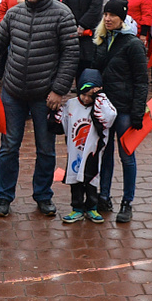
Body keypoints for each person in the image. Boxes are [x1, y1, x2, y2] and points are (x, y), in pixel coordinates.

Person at [0, 0, 79, 217]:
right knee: (9, 146)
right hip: (13, 92)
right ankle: (3, 195)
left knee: (45, 149)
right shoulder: (14, 14)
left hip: (44, 96)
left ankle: (43, 195)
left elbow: (71, 55)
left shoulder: (62, 15)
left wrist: (59, 90)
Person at [92, 0, 148, 222]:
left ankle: (128, 201)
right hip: (105, 108)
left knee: (127, 156)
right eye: (106, 14)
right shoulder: (102, 40)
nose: (108, 18)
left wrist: (137, 113)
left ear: (122, 18)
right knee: (105, 154)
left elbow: (142, 80)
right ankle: (103, 196)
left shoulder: (132, 44)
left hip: (125, 109)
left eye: (112, 15)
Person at [51, 69, 116, 224]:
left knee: (92, 178)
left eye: (90, 95)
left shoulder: (101, 106)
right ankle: (77, 208)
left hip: (92, 152)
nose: (86, 99)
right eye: (83, 94)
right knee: (75, 180)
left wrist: (100, 95)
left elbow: (110, 116)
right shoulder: (71, 104)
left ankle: (92, 207)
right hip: (75, 152)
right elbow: (61, 124)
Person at [63, 0, 104, 75]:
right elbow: (65, 5)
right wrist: (70, 25)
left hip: (89, 32)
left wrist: (82, 25)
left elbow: (95, 7)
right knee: (74, 63)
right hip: (72, 31)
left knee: (89, 63)